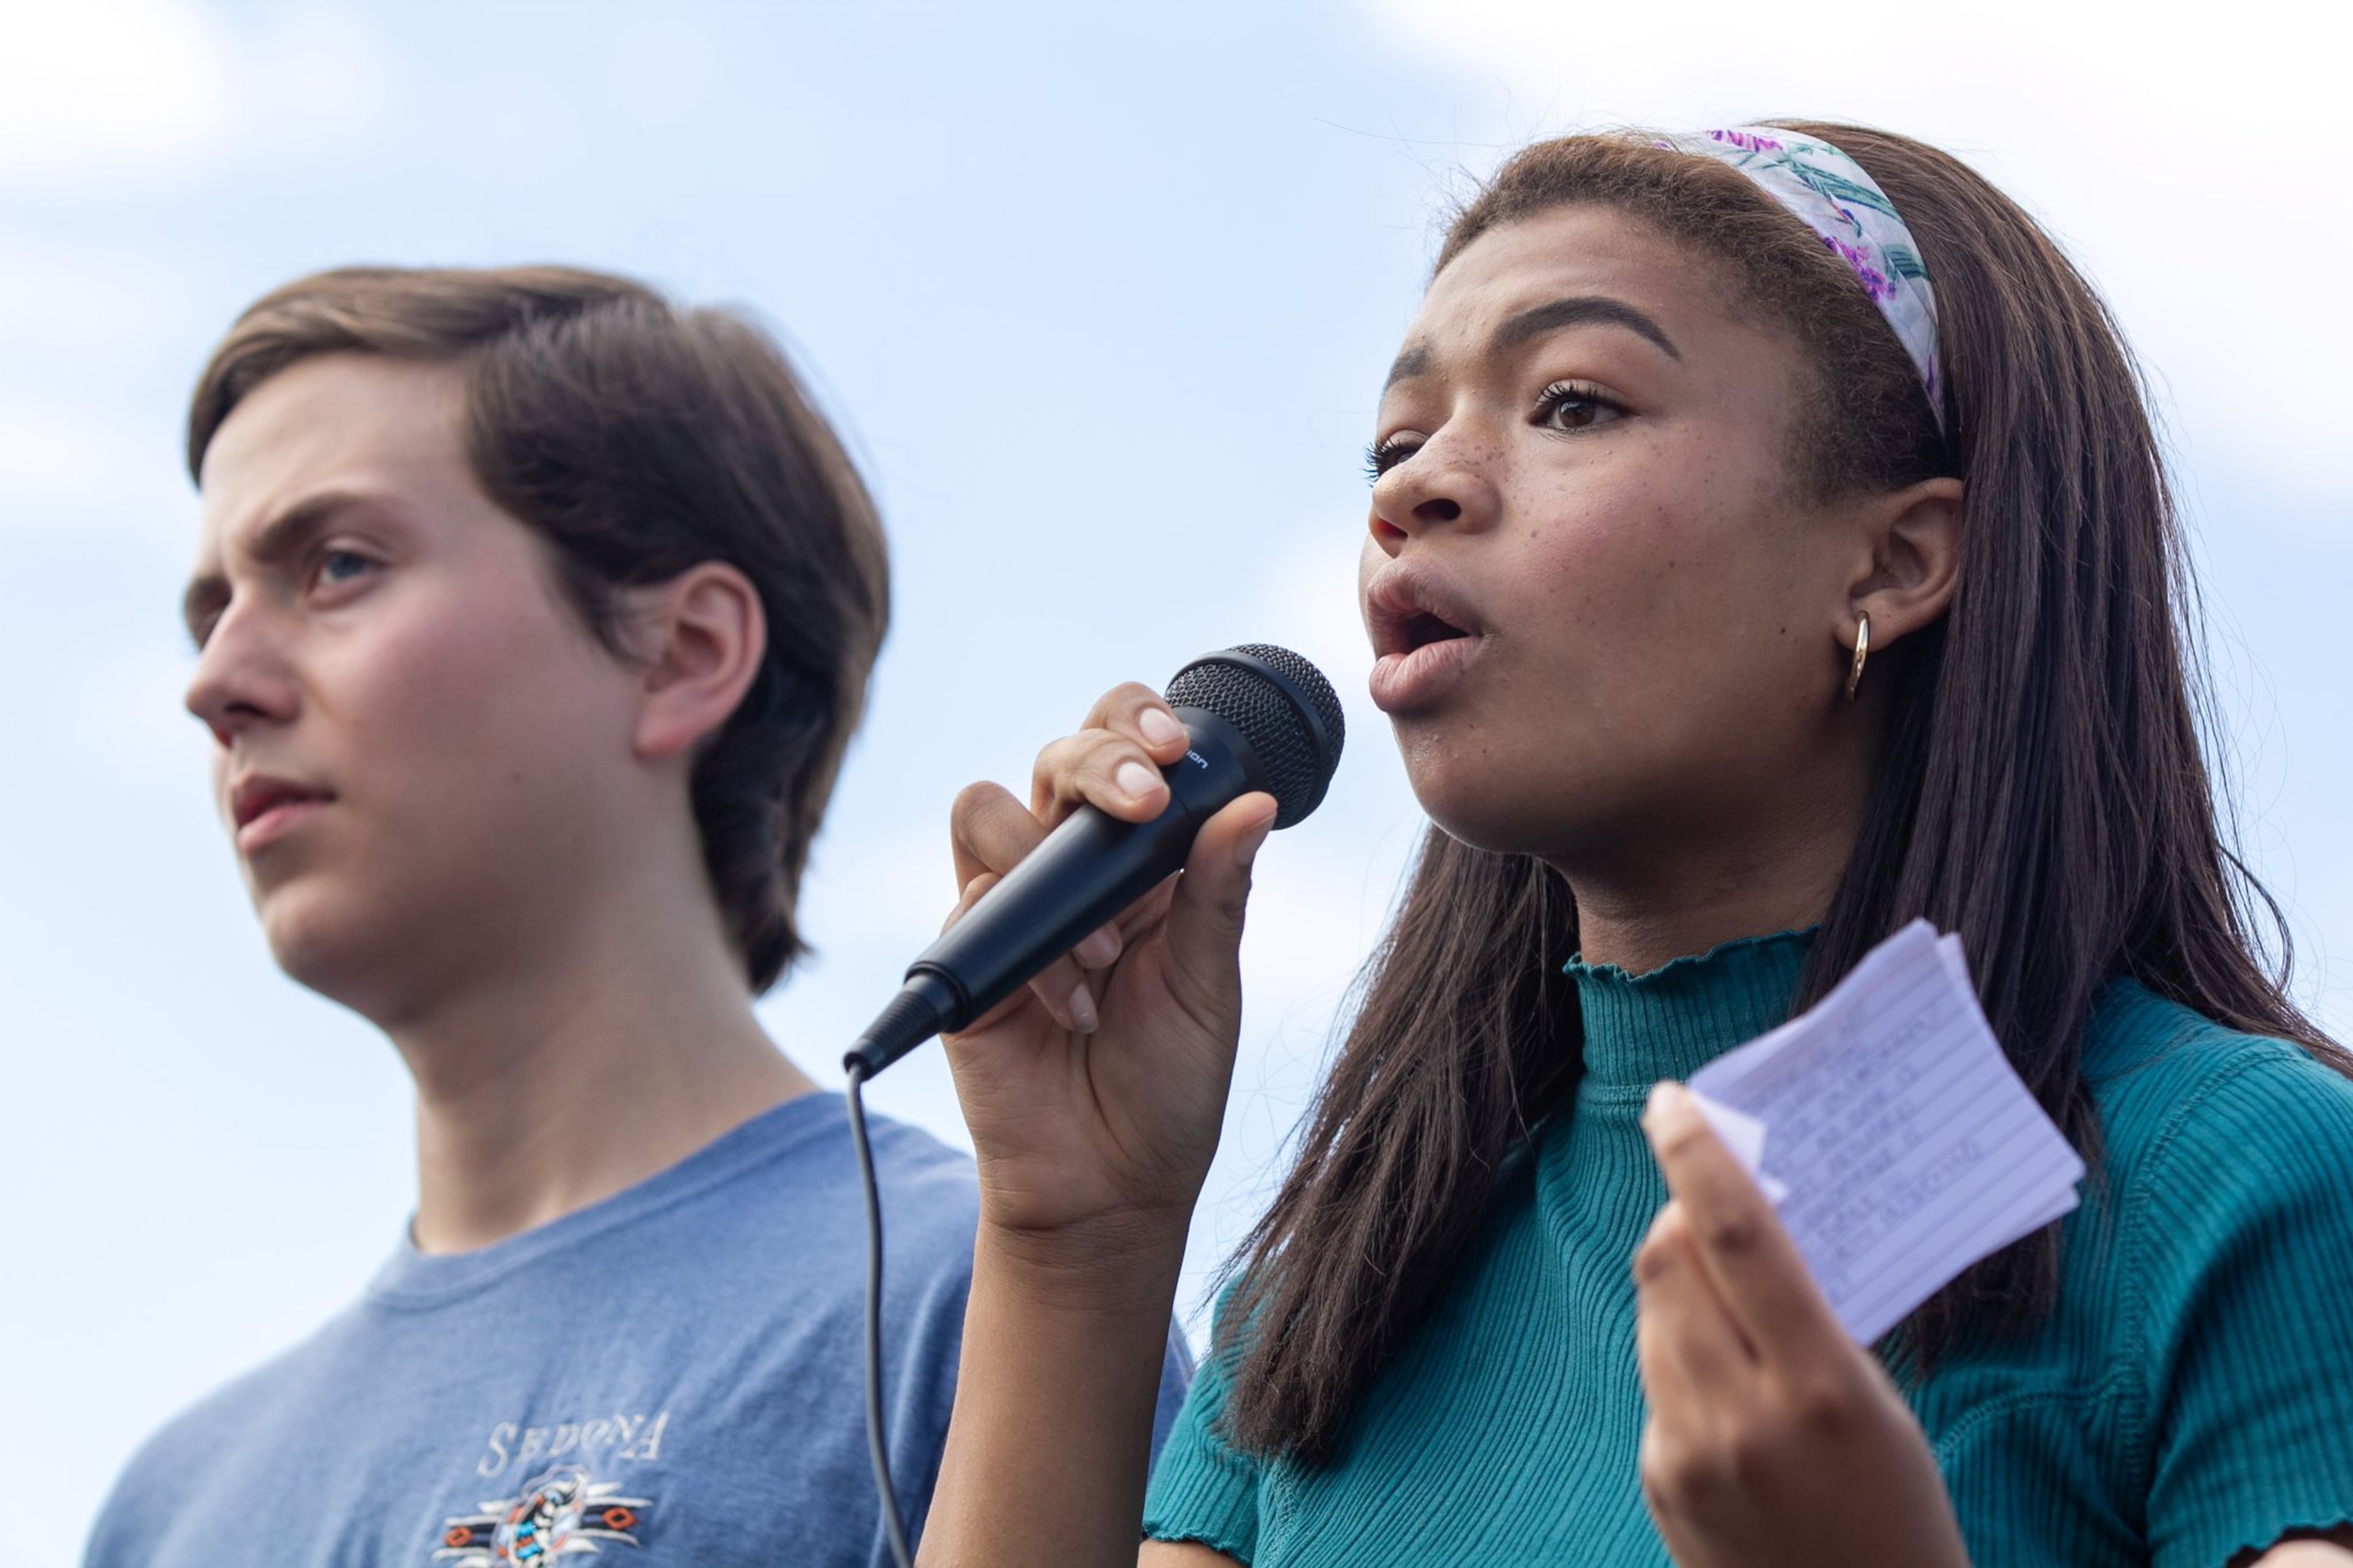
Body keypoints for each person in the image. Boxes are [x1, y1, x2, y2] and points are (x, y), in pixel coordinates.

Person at [914, 124, 2353, 1567]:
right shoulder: (1346, 1280)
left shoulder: (2232, 1178)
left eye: (1574, 405)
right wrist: (1074, 1234)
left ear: (1896, 560)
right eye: (1396, 440)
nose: (1412, 489)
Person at [81, 265, 1190, 1568]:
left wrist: (1062, 1283)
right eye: (209, 610)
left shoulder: (994, 1298)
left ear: (683, 652)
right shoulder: (167, 1508)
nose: (214, 682)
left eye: (335, 564)